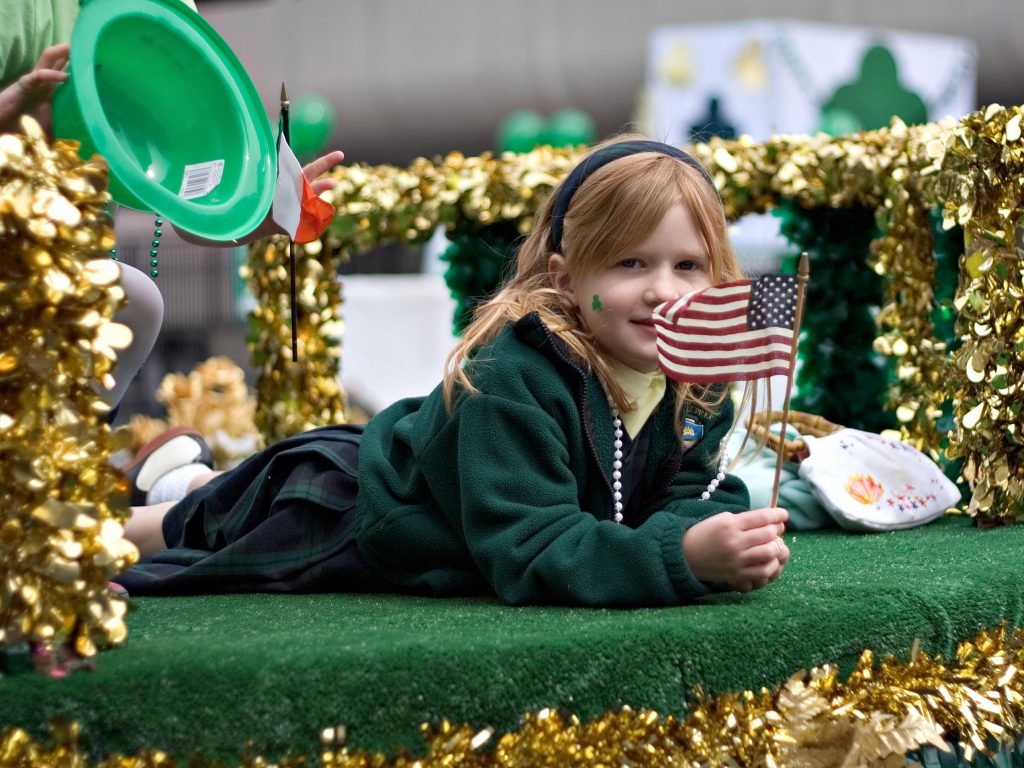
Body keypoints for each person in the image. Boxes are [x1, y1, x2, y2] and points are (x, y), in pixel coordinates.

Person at [117, 136, 791, 606]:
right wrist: (681, 558)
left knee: (215, 500)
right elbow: (531, 550)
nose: (663, 292)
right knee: (186, 537)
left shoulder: (696, 381)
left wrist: (711, 534)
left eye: (688, 266)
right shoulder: (517, 376)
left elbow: (696, 496)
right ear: (564, 277)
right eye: (630, 264)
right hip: (356, 511)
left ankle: (187, 477)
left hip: (429, 503)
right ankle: (163, 504)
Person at [0, 1, 343, 412]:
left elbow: (191, 200)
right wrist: (12, 114)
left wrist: (257, 213)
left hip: (69, 296)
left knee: (134, 305)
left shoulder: (163, 8)